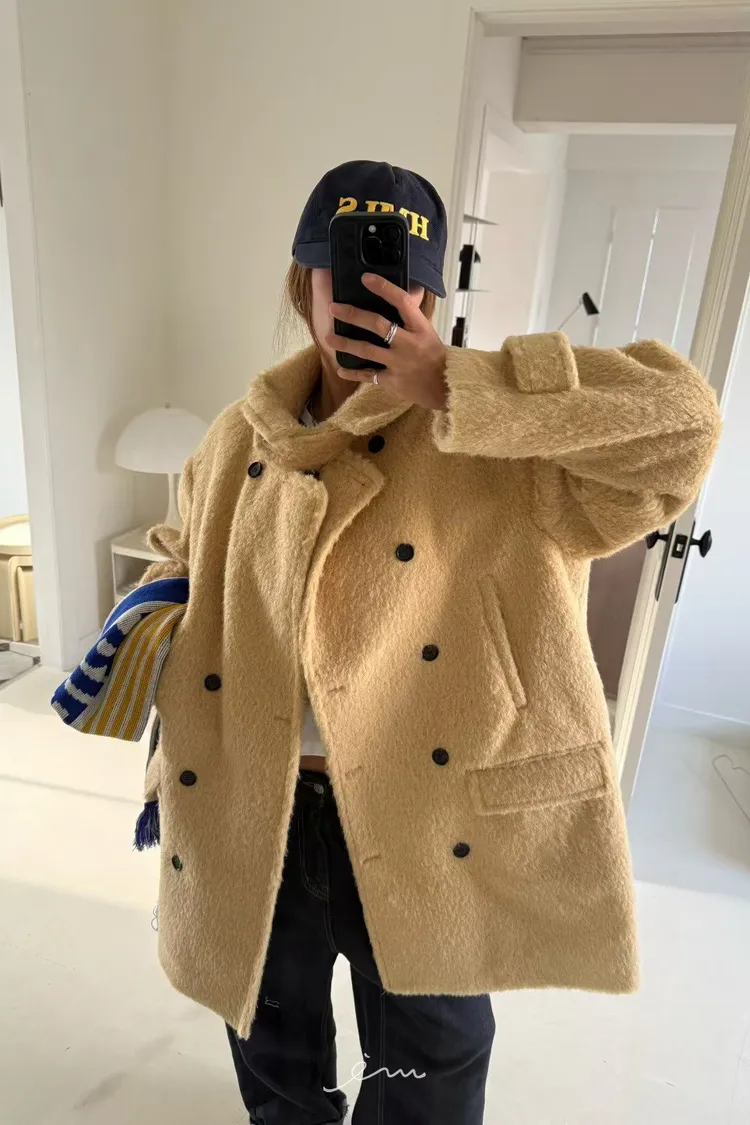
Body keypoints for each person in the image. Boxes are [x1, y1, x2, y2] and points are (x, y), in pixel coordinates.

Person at [136, 160, 721, 1124]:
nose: (372, 298)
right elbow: (184, 543)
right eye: (346, 275)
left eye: (399, 281)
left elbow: (685, 426)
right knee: (273, 1047)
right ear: (301, 283)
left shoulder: (501, 443)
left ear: (430, 296)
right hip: (256, 801)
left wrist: (456, 382)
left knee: (429, 1066)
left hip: (426, 808)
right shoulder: (240, 436)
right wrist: (150, 618)